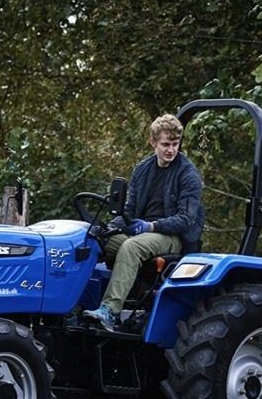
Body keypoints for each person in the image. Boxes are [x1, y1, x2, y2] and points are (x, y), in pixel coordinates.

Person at [83, 113, 205, 333]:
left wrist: (151, 226)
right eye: (166, 144)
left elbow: (186, 220)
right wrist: (109, 227)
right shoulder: (143, 169)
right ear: (153, 142)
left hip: (171, 236)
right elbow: (128, 211)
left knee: (132, 247)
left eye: (175, 144)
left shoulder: (188, 175)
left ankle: (109, 311)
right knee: (91, 240)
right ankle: (76, 306)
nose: (171, 150)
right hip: (141, 231)